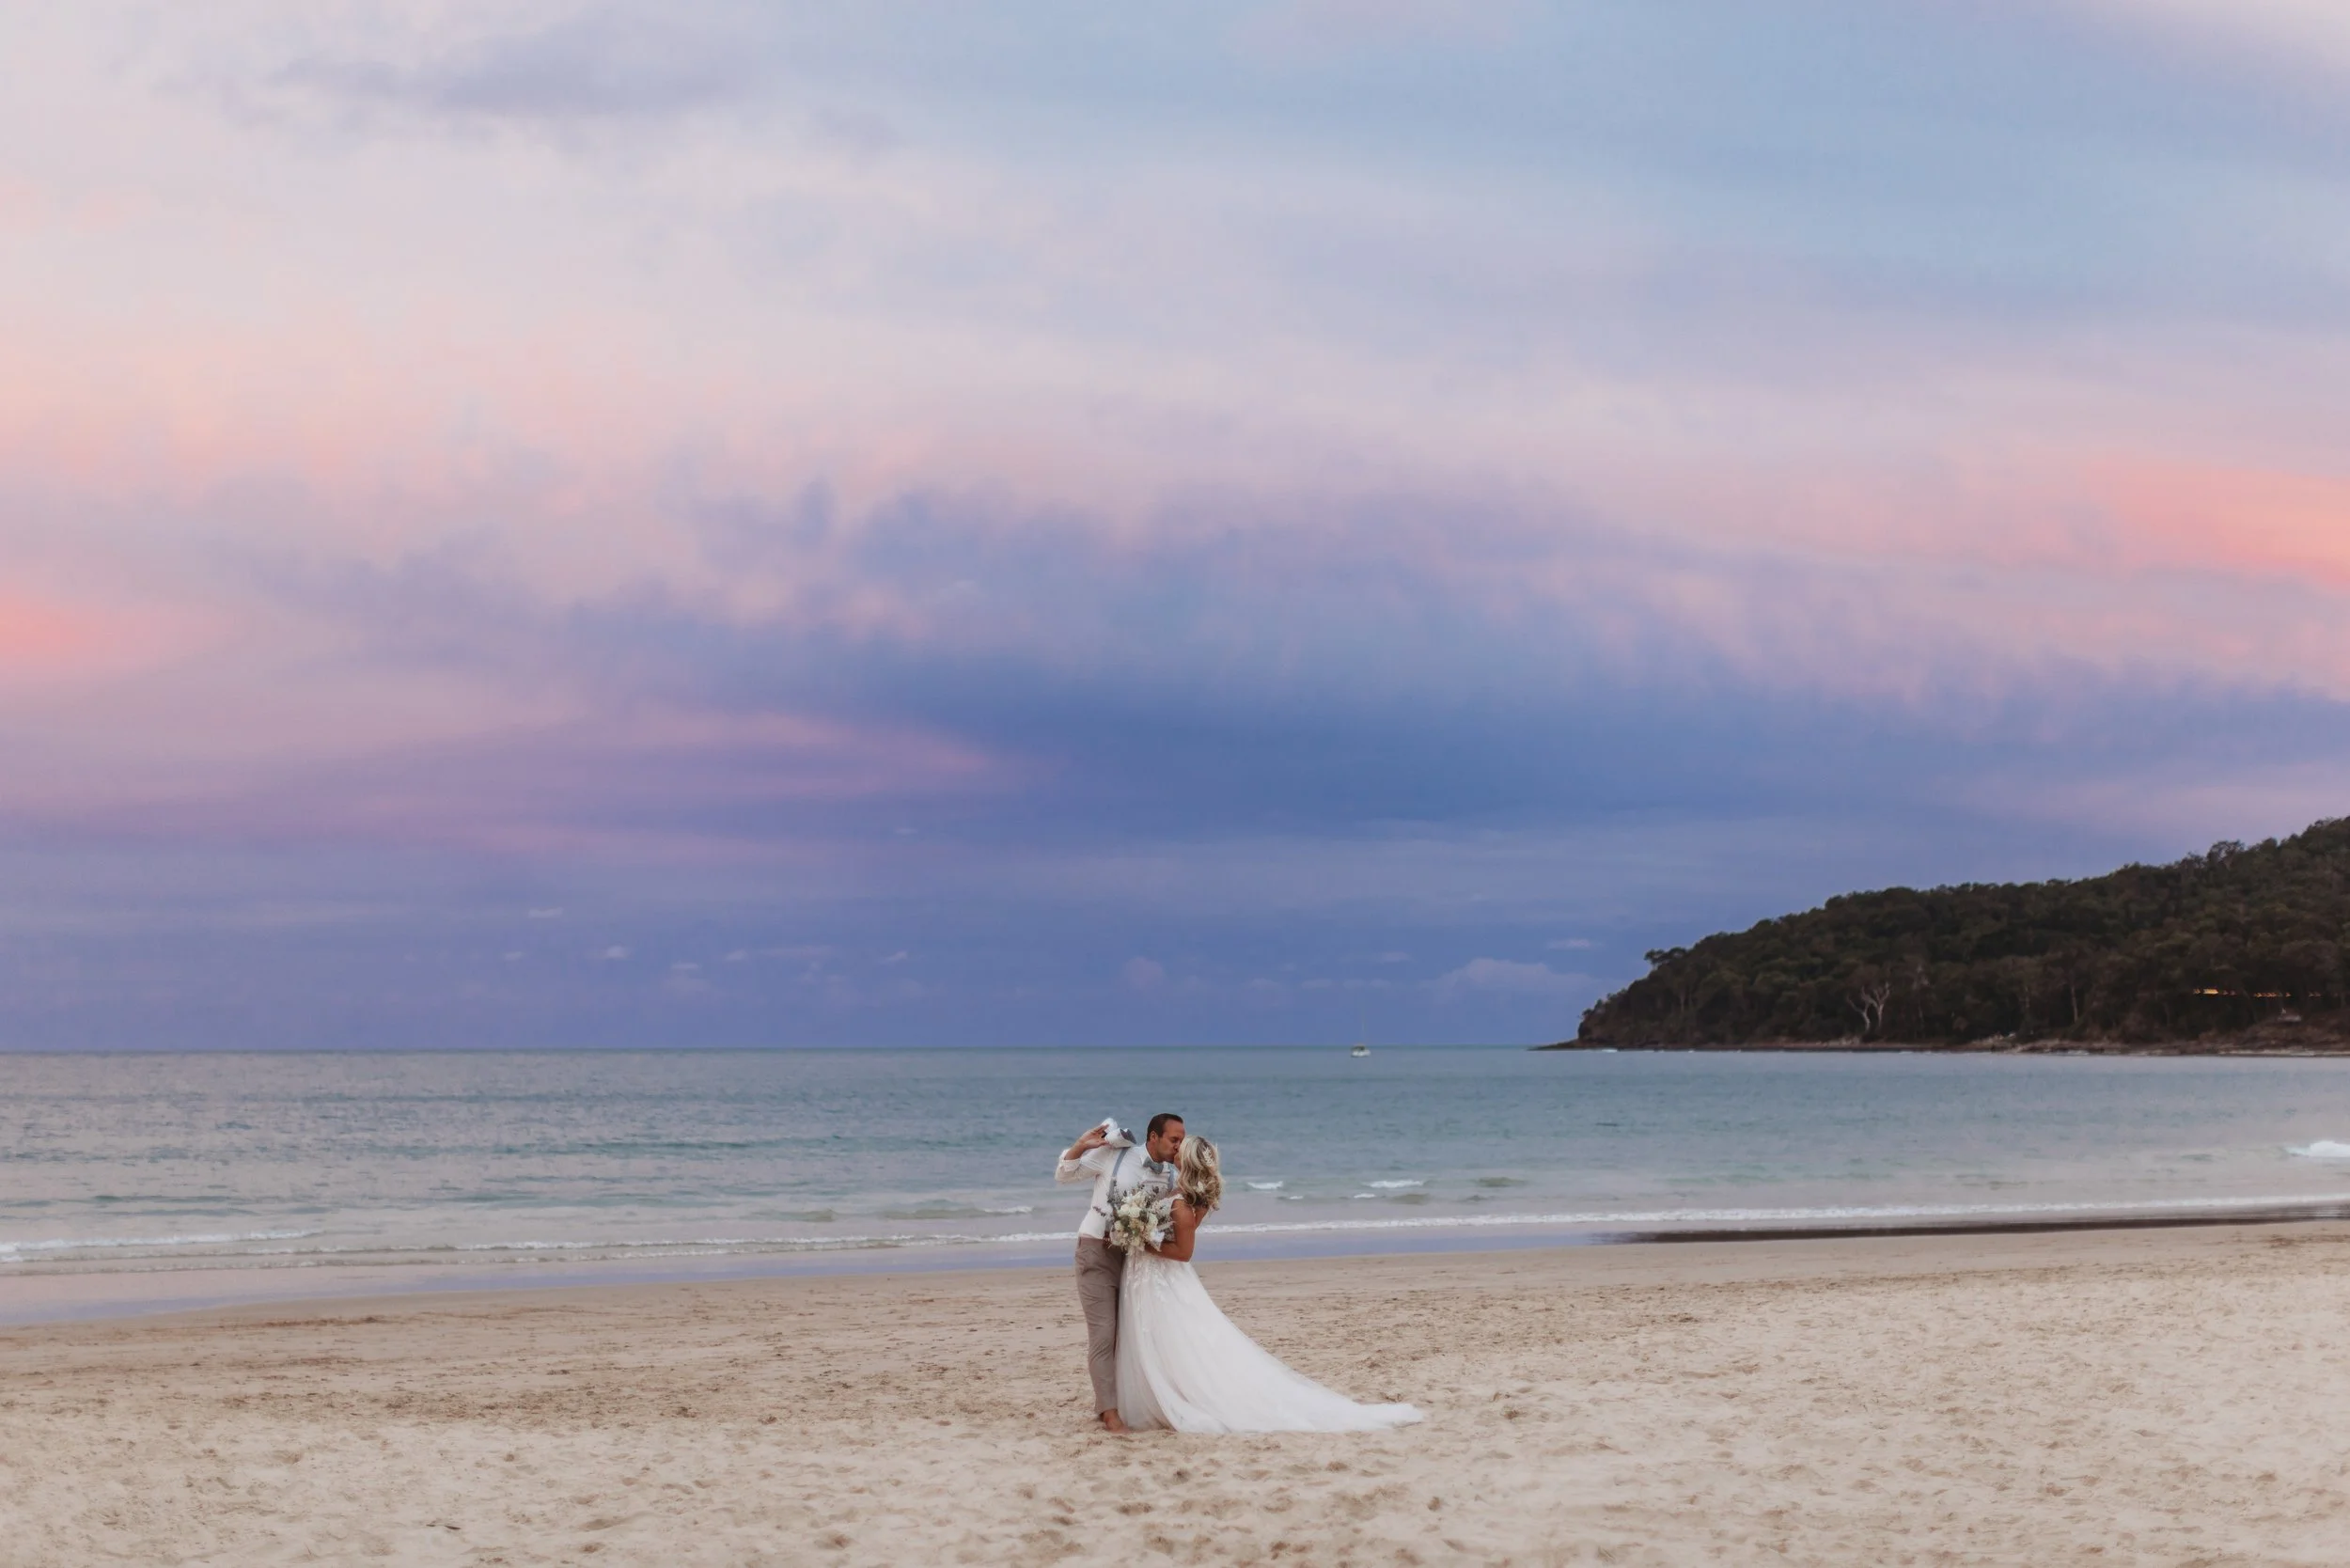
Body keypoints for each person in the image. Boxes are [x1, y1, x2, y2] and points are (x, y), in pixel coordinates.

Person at [1115, 1135, 1424, 1434]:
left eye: (1182, 1146)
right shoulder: (1177, 1192)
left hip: (1162, 1274)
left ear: (1187, 1160)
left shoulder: (1182, 1204)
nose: (1177, 1147)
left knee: (1175, 1337)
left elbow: (1183, 1253)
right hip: (1149, 1275)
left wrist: (1143, 1243)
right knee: (1162, 1336)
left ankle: (1177, 1396)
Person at [1056, 1111, 1185, 1433]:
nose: (1178, 1146)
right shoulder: (1115, 1155)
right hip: (1095, 1251)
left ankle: (1126, 1403)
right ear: (1153, 1137)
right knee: (1103, 1334)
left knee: (1130, 1335)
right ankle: (1109, 1414)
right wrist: (1079, 1146)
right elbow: (1064, 1174)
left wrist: (1184, 1176)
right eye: (1174, 1139)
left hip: (1134, 1260)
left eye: (1182, 1140)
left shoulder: (1169, 1175)